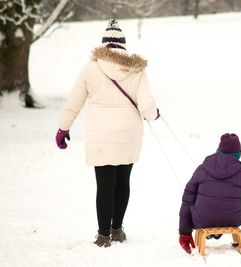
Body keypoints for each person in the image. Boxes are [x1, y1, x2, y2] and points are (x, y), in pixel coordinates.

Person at [55, 19, 160, 247]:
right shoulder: (136, 70)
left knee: (104, 185)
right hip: (128, 133)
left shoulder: (91, 67)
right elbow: (147, 104)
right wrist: (155, 115)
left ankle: (103, 236)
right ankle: (117, 230)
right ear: (123, 45)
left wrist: (64, 128)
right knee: (123, 182)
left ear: (103, 44)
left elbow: (74, 100)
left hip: (100, 135)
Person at [178, 133, 241, 254]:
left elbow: (187, 200)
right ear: (238, 155)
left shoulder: (202, 169)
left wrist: (185, 232)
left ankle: (212, 232)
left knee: (200, 205)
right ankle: (216, 232)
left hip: (202, 218)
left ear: (218, 151)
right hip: (233, 219)